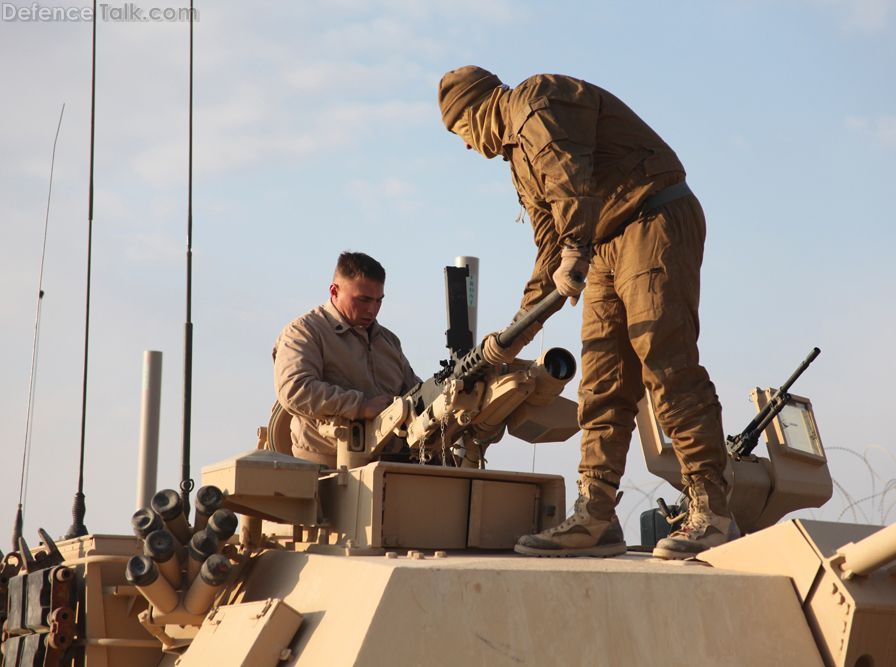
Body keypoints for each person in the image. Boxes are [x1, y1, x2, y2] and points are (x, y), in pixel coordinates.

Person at [438, 67, 738, 559]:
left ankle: (712, 509)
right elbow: (550, 248)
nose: (468, 147)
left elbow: (568, 174)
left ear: (474, 110)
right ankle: (596, 515)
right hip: (603, 243)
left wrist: (576, 247)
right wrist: (517, 330)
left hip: (653, 215)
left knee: (663, 359)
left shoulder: (533, 101)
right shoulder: (517, 161)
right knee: (601, 380)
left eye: (461, 132)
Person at [273, 251, 420, 467]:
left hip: (386, 469)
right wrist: (360, 406)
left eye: (379, 301)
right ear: (334, 290)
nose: (372, 309)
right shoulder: (305, 331)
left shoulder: (388, 341)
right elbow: (295, 389)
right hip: (323, 473)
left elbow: (414, 394)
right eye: (363, 300)